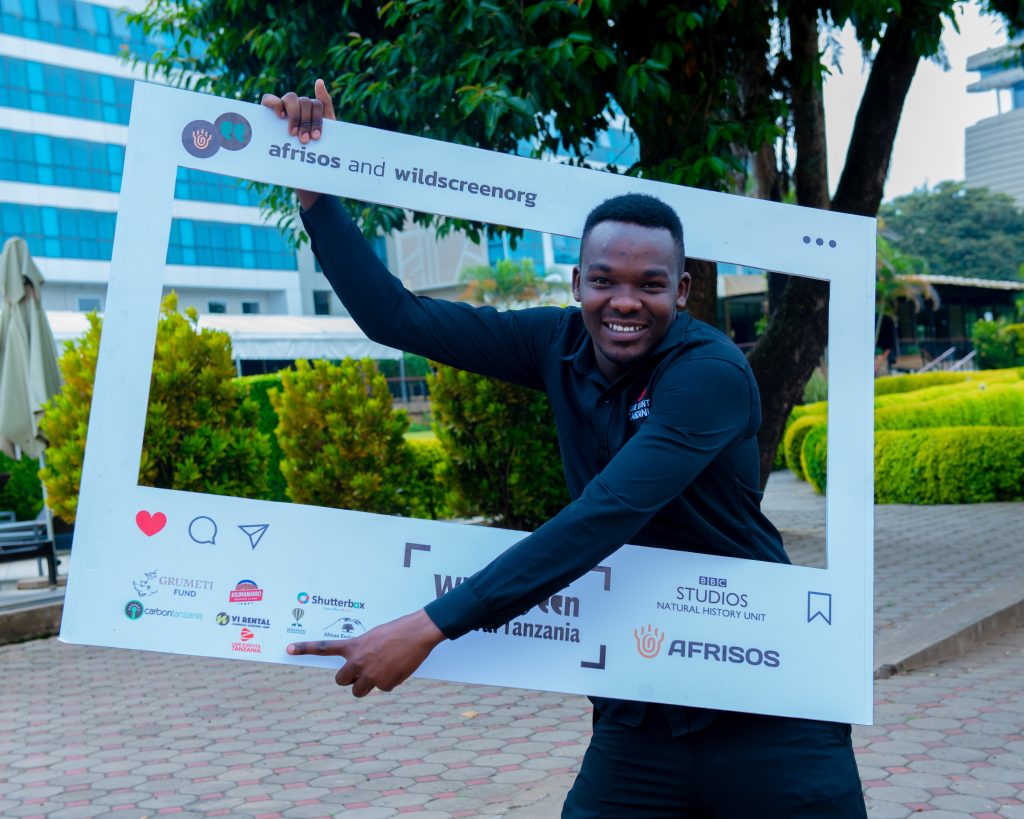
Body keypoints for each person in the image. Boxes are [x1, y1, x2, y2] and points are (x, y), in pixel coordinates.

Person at [264, 80, 866, 817]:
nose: (624, 301)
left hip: (771, 703)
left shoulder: (709, 373)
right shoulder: (557, 343)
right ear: (578, 282)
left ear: (682, 289)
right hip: (640, 706)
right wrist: (318, 195)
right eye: (604, 280)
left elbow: (604, 514)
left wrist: (428, 625)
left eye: (650, 284)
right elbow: (399, 318)